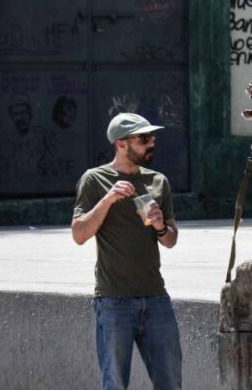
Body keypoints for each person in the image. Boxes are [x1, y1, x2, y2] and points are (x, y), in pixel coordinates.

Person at [71, 112, 182, 390]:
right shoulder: (94, 179)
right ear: (121, 143)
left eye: (152, 137)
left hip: (156, 300)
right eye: (144, 138)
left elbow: (170, 240)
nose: (152, 143)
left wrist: (159, 226)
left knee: (170, 382)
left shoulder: (158, 181)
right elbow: (79, 234)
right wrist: (108, 199)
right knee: (115, 384)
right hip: (113, 302)